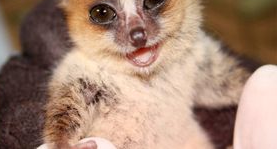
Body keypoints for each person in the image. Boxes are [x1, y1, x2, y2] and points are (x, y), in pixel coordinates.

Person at [38, 65, 277, 149]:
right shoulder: (86, 68)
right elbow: (65, 113)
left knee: (265, 81)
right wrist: (62, 143)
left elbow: (226, 82)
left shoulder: (188, 49)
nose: (137, 33)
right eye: (103, 14)